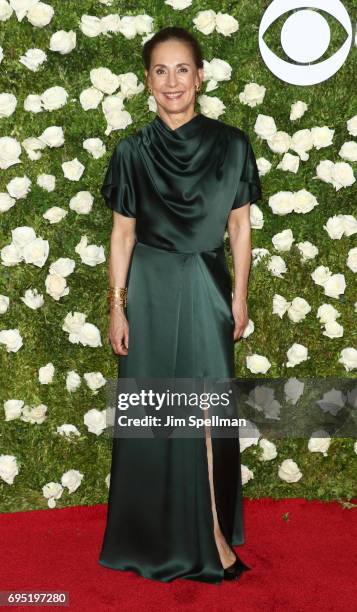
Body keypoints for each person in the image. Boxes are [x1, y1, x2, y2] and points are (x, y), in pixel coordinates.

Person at [98, 26, 262, 584]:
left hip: (206, 284)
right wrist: (117, 306)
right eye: (160, 71)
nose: (172, 82)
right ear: (147, 81)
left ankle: (210, 529)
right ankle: (162, 535)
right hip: (149, 289)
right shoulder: (130, 150)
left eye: (182, 69)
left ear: (201, 75)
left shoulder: (233, 143)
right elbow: (122, 235)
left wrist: (239, 296)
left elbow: (239, 226)